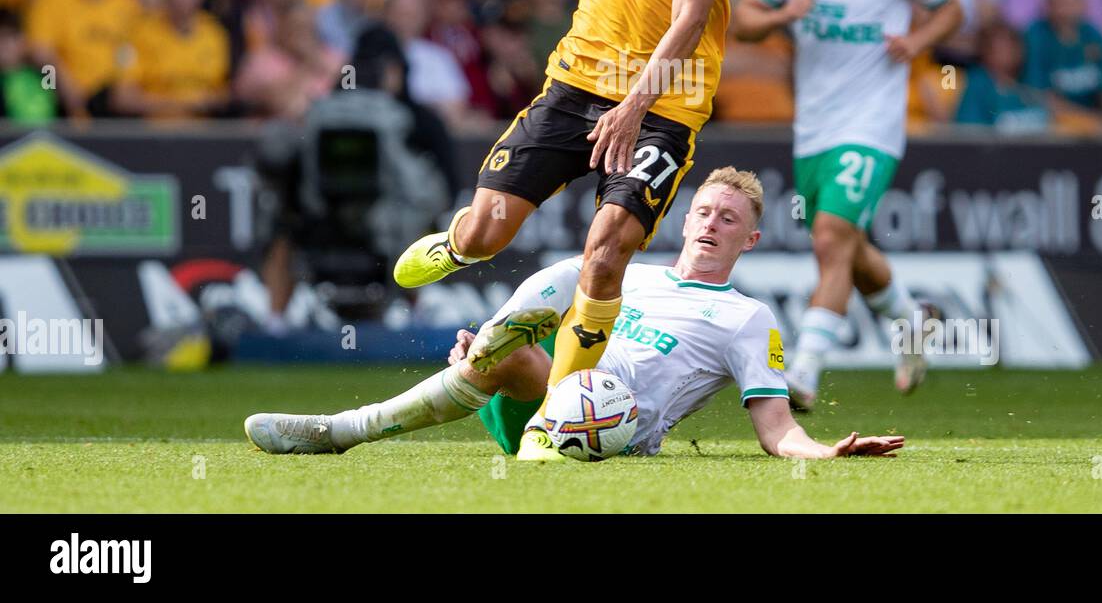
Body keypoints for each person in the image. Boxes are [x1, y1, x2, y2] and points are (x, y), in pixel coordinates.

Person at [396, 0, 739, 461]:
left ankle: (559, 414)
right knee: (489, 234)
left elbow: (690, 17)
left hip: (664, 104)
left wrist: (637, 103)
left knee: (605, 253)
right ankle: (459, 243)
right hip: (577, 86)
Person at [244, 168, 905, 462]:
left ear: (749, 240)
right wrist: (501, 351)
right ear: (685, 218)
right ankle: (369, 416)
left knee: (562, 297)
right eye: (704, 210)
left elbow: (776, 428)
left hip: (618, 423)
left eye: (729, 219)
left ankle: (342, 430)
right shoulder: (631, 277)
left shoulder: (747, 317)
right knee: (567, 281)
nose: (712, 223)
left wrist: (823, 454)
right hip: (551, 401)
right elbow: (568, 333)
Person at [732, 0, 963, 407]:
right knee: (848, 246)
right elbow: (744, 22)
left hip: (874, 124)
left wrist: (918, 40)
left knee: (831, 237)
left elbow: (952, 9)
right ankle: (913, 322)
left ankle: (805, 373)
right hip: (814, 127)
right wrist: (782, 16)